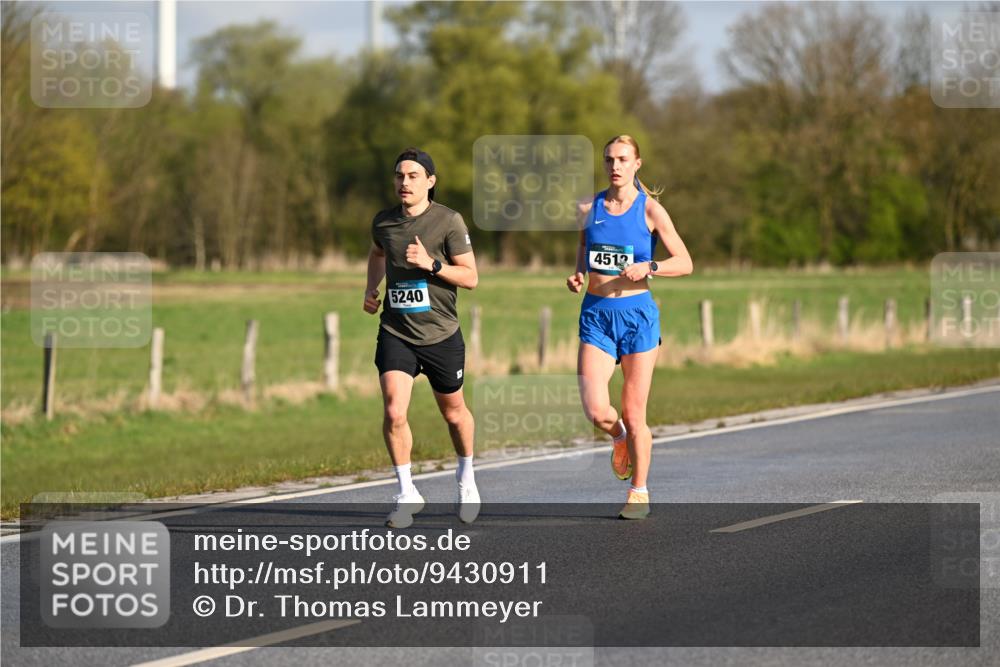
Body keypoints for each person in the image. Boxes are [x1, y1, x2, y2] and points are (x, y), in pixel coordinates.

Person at [567, 135, 693, 520]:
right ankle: (618, 438)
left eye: (623, 159)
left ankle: (639, 491)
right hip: (597, 315)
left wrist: (649, 267)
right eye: (609, 160)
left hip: (637, 316)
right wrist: (577, 274)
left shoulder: (651, 211)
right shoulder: (588, 208)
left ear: (637, 164)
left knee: (634, 412)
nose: (615, 166)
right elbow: (584, 249)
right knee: (594, 407)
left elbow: (685, 262)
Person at [364, 148, 480, 528]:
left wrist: (431, 264)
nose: (404, 182)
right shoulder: (384, 222)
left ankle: (465, 476)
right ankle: (406, 492)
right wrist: (371, 289)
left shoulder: (448, 221)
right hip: (397, 330)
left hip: (440, 333)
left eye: (413, 176)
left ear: (430, 181)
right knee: (395, 410)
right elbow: (378, 252)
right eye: (399, 175)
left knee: (454, 413)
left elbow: (471, 277)